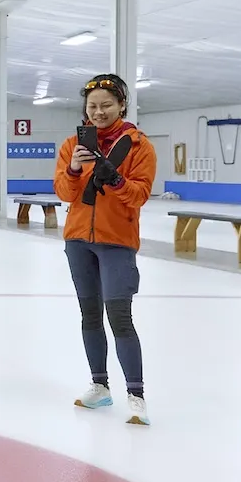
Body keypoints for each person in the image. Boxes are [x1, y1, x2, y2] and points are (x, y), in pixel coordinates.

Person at [52, 72, 157, 424]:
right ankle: (100, 387)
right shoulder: (72, 145)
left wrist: (114, 177)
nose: (98, 112)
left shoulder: (139, 146)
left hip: (117, 243)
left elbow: (138, 196)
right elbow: (65, 194)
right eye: (92, 106)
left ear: (122, 105)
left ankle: (136, 393)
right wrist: (74, 167)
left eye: (106, 105)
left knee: (120, 317)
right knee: (90, 315)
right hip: (78, 240)